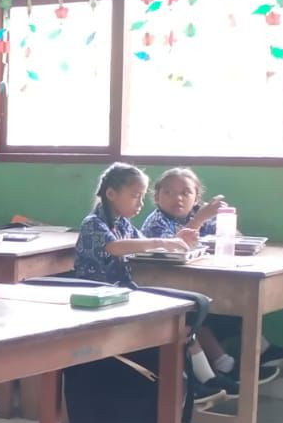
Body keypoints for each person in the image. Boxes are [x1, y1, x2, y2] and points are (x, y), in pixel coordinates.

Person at [75, 163, 233, 403]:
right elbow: (114, 247)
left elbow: (148, 246)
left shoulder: (124, 223)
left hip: (125, 294)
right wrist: (161, 242)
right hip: (102, 298)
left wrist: (175, 241)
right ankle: (192, 385)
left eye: (141, 197)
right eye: (135, 196)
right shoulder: (93, 223)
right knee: (173, 323)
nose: (140, 203)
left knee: (189, 311)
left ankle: (205, 380)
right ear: (111, 194)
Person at [141, 169, 283, 376]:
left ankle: (261, 352)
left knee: (239, 306)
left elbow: (232, 238)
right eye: (168, 192)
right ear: (157, 197)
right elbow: (175, 246)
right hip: (169, 290)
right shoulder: (157, 221)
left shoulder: (201, 214)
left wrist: (224, 223)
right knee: (197, 313)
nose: (177, 198)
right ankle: (225, 366)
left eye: (185, 193)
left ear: (196, 197)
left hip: (203, 282)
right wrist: (200, 219)